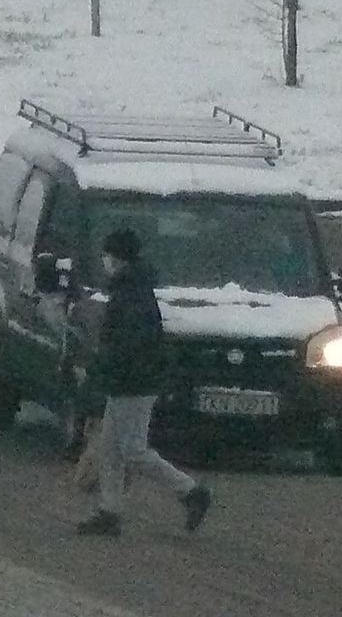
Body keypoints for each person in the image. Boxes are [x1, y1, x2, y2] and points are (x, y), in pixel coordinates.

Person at [75, 228, 211, 536]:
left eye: (107, 254)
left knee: (133, 449)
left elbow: (126, 344)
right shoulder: (133, 288)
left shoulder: (130, 293)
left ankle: (191, 492)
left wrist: (103, 370)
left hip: (133, 383)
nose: (104, 260)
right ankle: (109, 511)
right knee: (110, 448)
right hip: (131, 380)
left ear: (118, 257)